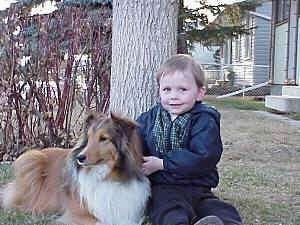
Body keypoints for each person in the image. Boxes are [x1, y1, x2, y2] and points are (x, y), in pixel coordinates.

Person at [136, 54, 243, 225]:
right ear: (159, 91)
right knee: (169, 211)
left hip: (198, 186)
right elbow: (135, 145)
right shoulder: (148, 119)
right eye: (167, 90)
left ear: (199, 93)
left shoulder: (204, 120)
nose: (174, 96)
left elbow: (204, 156)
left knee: (219, 209)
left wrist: (162, 163)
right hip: (163, 187)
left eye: (182, 90)